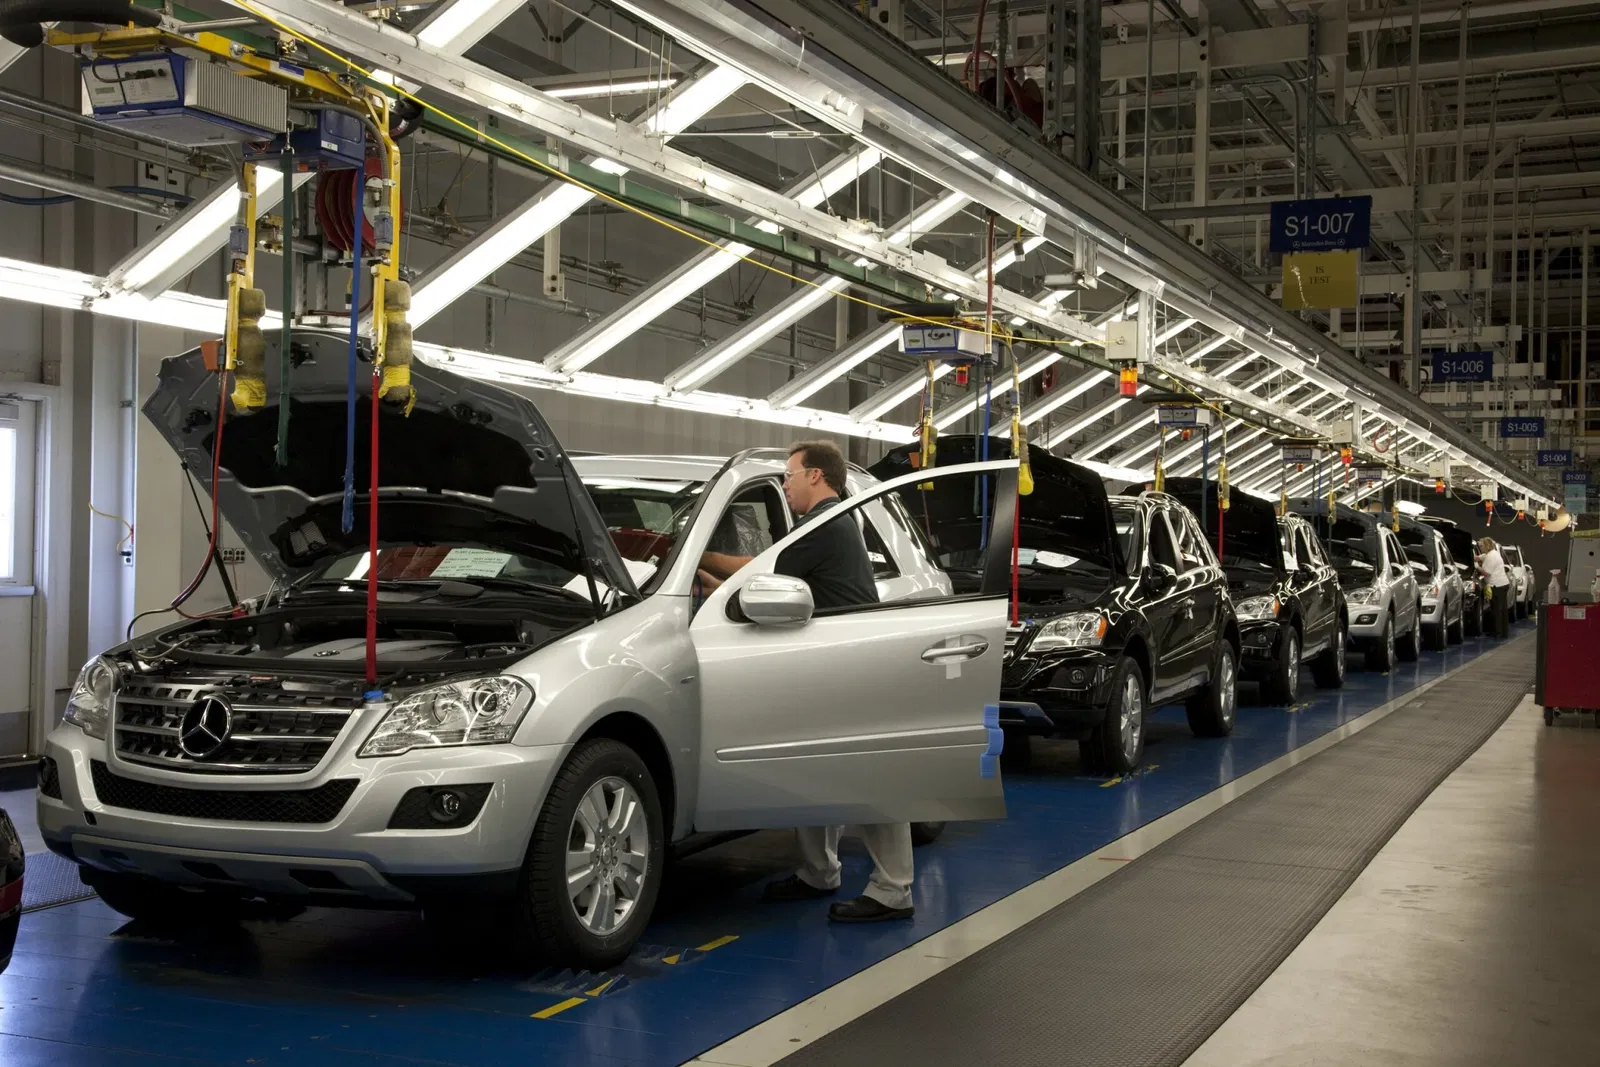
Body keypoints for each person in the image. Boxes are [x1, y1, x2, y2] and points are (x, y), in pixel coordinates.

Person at [697, 441, 915, 923]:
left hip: (851, 666)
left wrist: (696, 556)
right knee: (815, 772)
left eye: (790, 475)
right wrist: (709, 590)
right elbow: (761, 587)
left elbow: (756, 572)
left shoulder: (826, 522)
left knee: (870, 782)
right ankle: (819, 871)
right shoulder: (830, 523)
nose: (786, 484)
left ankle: (893, 891)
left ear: (816, 475)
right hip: (828, 664)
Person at [1477, 537, 1511, 639]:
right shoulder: (1493, 553)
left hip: (1497, 585)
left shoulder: (1491, 557)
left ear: (1487, 546)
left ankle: (1497, 632)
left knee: (1496, 609)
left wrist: (1477, 567)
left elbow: (1487, 572)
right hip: (1503, 584)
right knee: (1503, 609)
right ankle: (1503, 632)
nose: (1480, 547)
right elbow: (1481, 557)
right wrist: (1476, 558)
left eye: (1482, 546)